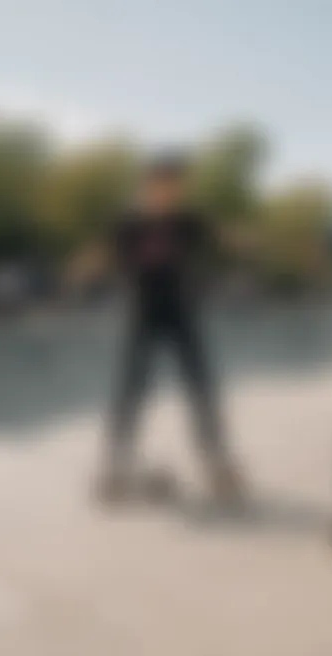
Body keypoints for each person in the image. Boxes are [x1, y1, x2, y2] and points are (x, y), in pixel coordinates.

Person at [97, 153, 243, 503]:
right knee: (132, 390)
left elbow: (219, 241)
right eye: (162, 184)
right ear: (146, 185)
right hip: (143, 315)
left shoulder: (189, 221)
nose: (169, 192)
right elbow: (115, 262)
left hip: (182, 313)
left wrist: (242, 243)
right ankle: (116, 464)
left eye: (176, 185)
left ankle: (216, 461)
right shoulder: (127, 224)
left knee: (201, 387)